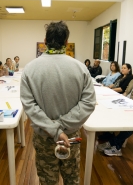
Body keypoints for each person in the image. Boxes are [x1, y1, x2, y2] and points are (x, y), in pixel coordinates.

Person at [20, 21, 96, 185]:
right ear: (66, 42)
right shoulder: (80, 68)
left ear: (45, 41)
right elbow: (89, 103)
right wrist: (61, 128)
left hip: (44, 136)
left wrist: (54, 129)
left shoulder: (30, 69)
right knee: (72, 178)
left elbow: (29, 106)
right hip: (71, 136)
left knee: (47, 180)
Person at [98, 65, 133, 156]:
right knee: (108, 110)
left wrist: (128, 101)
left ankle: (115, 145)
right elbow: (126, 92)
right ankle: (110, 135)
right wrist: (120, 99)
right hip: (125, 103)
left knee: (131, 124)